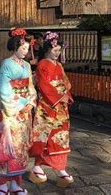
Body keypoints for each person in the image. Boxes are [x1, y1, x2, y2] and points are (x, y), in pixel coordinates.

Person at [0, 28, 36, 195]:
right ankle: (2, 184)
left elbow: (30, 86)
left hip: (24, 111)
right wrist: (20, 104)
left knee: (22, 147)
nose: (25, 51)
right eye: (23, 48)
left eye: (27, 48)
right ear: (15, 46)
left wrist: (30, 102)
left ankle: (16, 184)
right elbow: (3, 87)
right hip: (11, 112)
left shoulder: (27, 66)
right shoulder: (6, 64)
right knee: (9, 146)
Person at [30, 32, 74, 188]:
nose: (57, 53)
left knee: (61, 135)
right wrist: (57, 97)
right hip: (48, 106)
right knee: (47, 136)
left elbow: (65, 83)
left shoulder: (59, 65)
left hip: (60, 107)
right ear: (48, 49)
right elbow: (43, 85)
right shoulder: (42, 65)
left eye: (59, 51)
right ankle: (47, 167)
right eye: (55, 51)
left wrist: (66, 94)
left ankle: (54, 167)